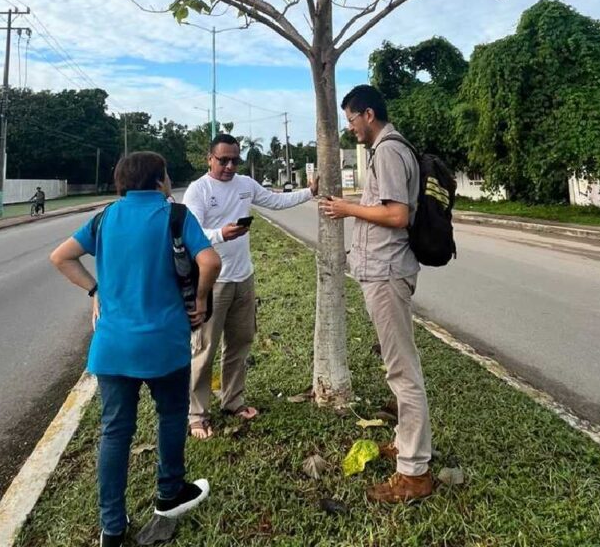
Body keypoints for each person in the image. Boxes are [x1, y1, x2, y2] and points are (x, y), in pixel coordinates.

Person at [49, 152, 221, 546]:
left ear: (121, 182)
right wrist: (200, 299)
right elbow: (209, 262)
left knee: (114, 432)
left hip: (112, 347)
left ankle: (111, 526)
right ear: (161, 180)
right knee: (171, 415)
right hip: (164, 343)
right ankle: (169, 491)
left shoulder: (104, 218)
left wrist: (96, 290)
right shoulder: (174, 216)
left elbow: (60, 257)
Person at [318, 84, 434, 503]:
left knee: (402, 372)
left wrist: (347, 208)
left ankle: (415, 472)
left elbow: (397, 214)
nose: (350, 128)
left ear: (368, 115)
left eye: (351, 120)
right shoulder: (387, 148)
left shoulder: (387, 150)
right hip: (383, 272)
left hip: (387, 274)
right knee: (397, 366)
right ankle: (406, 447)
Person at [182, 133, 319, 439]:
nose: (229, 166)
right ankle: (196, 414)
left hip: (244, 277)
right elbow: (190, 231)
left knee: (241, 342)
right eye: (223, 160)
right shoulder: (198, 190)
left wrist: (309, 192)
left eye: (235, 160)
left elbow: (276, 200)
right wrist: (220, 235)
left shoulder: (245, 185)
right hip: (211, 281)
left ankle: (232, 401)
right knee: (204, 349)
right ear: (210, 159)